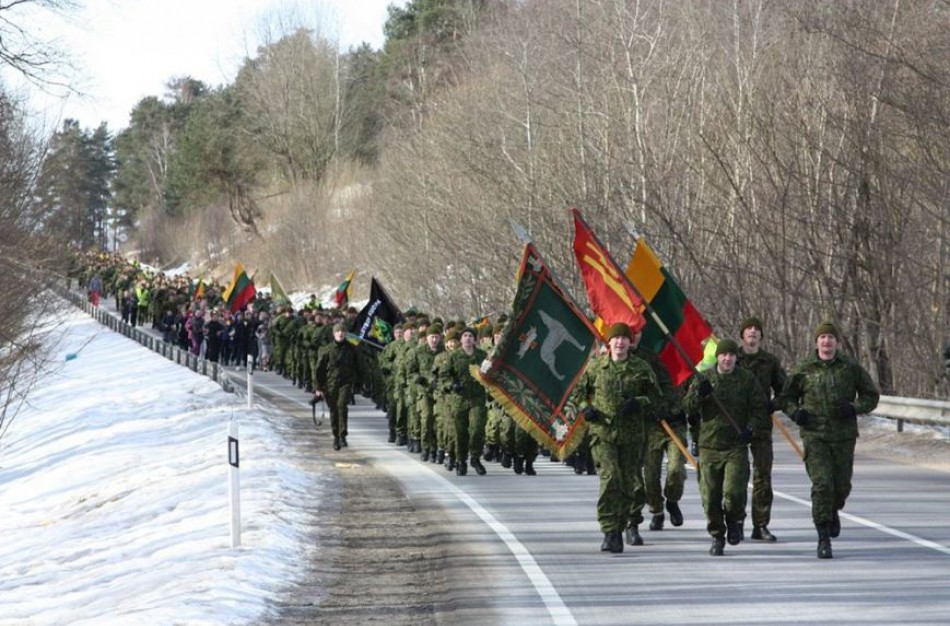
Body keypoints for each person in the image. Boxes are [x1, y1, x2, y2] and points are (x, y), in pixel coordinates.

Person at [779, 320, 879, 559]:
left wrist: (854, 408)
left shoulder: (849, 367)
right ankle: (823, 537)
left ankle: (833, 509)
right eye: (822, 338)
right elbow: (786, 397)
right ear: (817, 342)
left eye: (830, 338)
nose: (826, 342)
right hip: (815, 436)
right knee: (822, 484)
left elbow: (871, 395)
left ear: (836, 342)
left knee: (841, 487)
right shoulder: (804, 368)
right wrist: (795, 413)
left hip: (843, 437)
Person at [572, 322, 662, 553]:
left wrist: (638, 402)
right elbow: (577, 394)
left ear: (630, 342)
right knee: (610, 478)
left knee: (627, 484)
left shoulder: (641, 368)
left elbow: (656, 399)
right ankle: (609, 530)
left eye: (624, 338)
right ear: (608, 342)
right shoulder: (595, 367)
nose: (620, 342)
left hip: (631, 436)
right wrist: (585, 408)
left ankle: (621, 526)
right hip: (603, 434)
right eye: (615, 339)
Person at [684, 338, 765, 557]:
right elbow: (688, 407)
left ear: (736, 358)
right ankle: (717, 535)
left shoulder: (747, 379)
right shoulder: (705, 379)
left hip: (735, 446)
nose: (727, 359)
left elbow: (760, 409)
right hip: (709, 446)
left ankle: (735, 519)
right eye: (723, 355)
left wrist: (751, 428)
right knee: (710, 497)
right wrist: (699, 395)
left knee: (734, 492)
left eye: (731, 355)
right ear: (717, 357)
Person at [735, 316, 787, 542]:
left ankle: (761, 524)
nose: (753, 332)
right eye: (749, 329)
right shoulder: (731, 358)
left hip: (761, 426)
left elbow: (786, 390)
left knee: (762, 476)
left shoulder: (770, 362)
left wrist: (774, 404)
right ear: (742, 334)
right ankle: (736, 521)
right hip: (735, 425)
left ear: (761, 336)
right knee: (736, 476)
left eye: (757, 329)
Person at [632, 327, 687, 533]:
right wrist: (652, 410)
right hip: (652, 427)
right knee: (651, 476)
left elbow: (690, 395)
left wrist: (681, 411)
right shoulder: (640, 361)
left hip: (675, 425)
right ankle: (657, 510)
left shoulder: (682, 361)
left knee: (676, 470)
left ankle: (672, 500)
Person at [441, 327, 489, 476]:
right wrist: (451, 384)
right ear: (461, 339)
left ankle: (475, 457)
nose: (468, 338)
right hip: (459, 400)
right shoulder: (454, 356)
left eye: (470, 336)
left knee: (477, 429)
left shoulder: (482, 356)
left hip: (477, 399)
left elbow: (491, 374)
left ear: (475, 339)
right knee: (460, 433)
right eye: (465, 336)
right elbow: (443, 376)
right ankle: (461, 461)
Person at [314, 322, 366, 450]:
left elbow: (360, 366)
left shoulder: (351, 348)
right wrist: (318, 388)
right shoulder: (327, 349)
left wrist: (360, 383)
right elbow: (319, 369)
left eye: (342, 331)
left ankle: (342, 435)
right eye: (338, 331)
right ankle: (335, 436)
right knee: (333, 411)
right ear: (334, 334)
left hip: (346, 383)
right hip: (330, 384)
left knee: (342, 406)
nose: (340, 333)